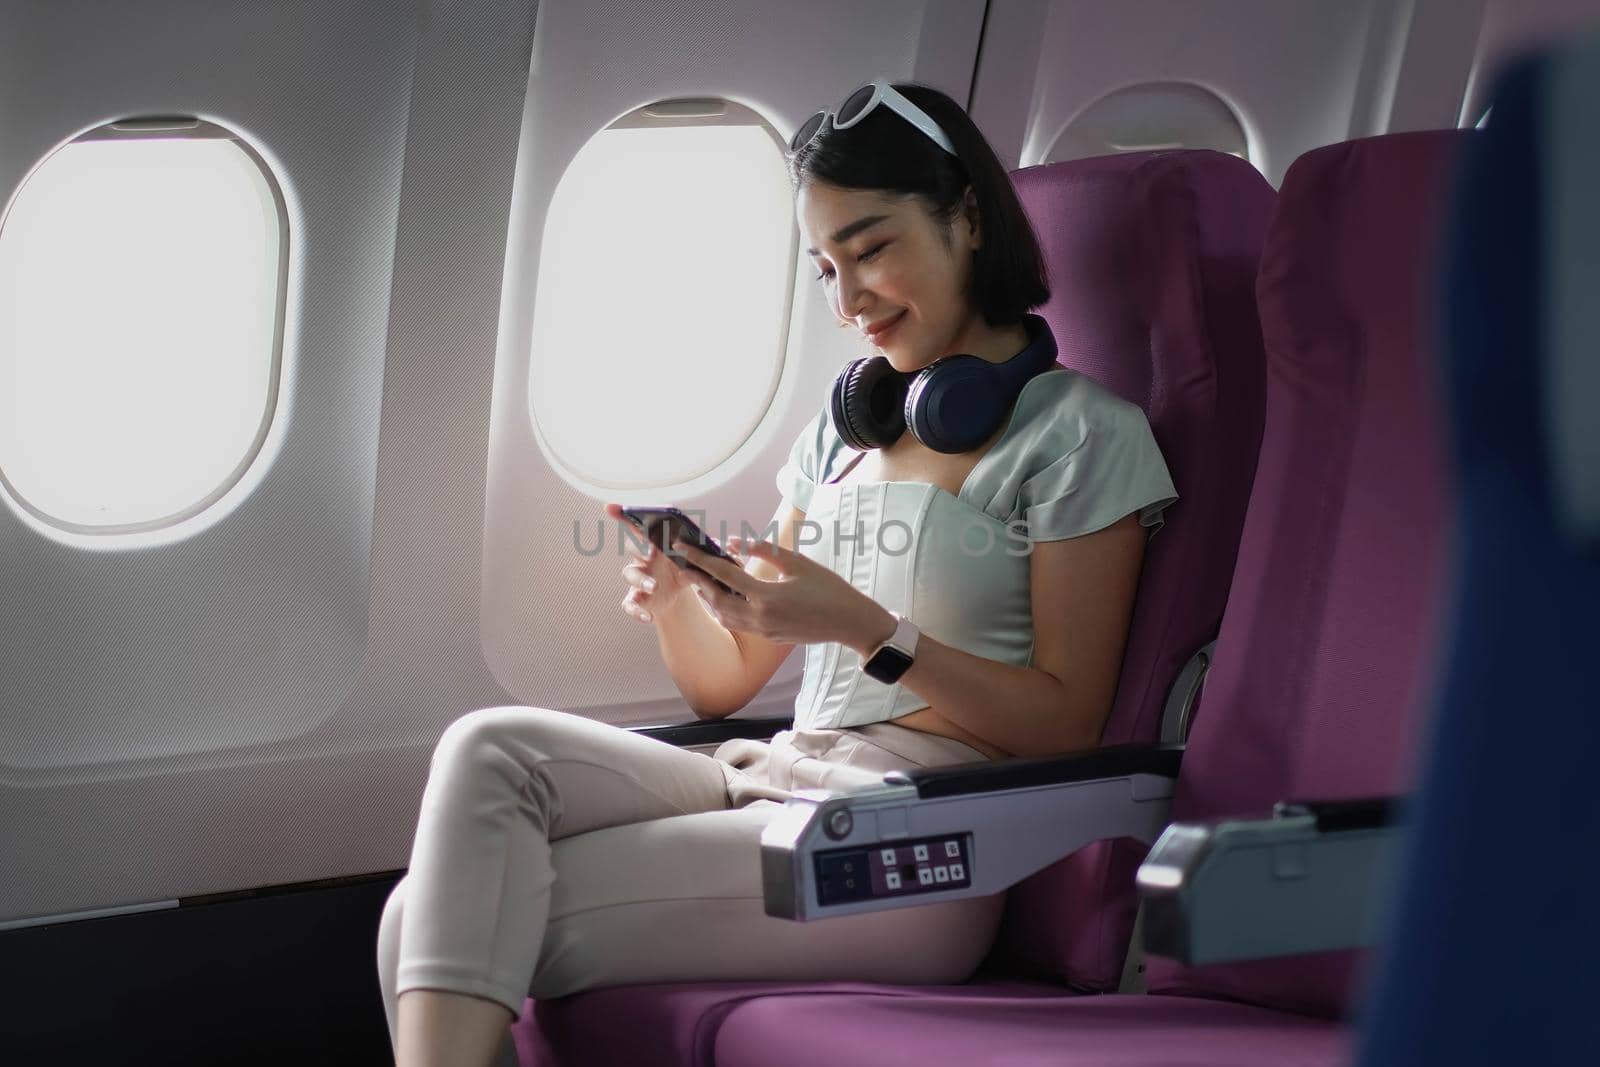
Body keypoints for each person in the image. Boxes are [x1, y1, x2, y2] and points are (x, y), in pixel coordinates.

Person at [375, 80, 1179, 1067]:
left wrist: (866, 626)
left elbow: (1065, 724)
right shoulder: (842, 439)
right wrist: (683, 600)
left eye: (873, 247)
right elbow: (727, 682)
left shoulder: (1080, 436)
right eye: (824, 268)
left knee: (429, 919)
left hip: (922, 839)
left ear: (966, 214)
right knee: (489, 748)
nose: (848, 300)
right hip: (776, 777)